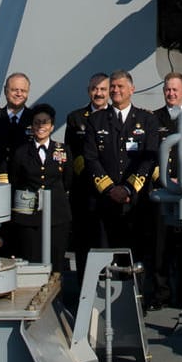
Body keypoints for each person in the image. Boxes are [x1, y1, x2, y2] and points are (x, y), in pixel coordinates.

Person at [82, 70, 161, 297]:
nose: (116, 91)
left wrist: (128, 188)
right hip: (104, 201)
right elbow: (91, 158)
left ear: (132, 89)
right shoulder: (95, 120)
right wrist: (109, 189)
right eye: (113, 87)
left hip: (135, 201)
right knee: (104, 253)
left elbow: (149, 158)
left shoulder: (147, 120)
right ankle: (104, 300)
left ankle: (135, 300)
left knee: (135, 254)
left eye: (120, 87)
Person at [5, 103, 71, 264]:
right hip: (29, 214)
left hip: (57, 214)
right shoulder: (21, 152)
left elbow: (68, 180)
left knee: (56, 260)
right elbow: (15, 180)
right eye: (37, 122)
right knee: (31, 258)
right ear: (32, 126)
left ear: (52, 126)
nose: (41, 126)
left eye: (45, 122)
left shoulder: (62, 150)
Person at [152, 72, 182, 308]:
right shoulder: (153, 119)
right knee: (161, 246)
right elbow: (151, 154)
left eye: (175, 90)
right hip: (164, 190)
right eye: (168, 89)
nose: (171, 93)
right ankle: (161, 295)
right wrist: (167, 178)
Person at [65, 73, 111, 274]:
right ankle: (85, 287)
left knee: (109, 239)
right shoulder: (75, 118)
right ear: (88, 91)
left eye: (102, 89)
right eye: (95, 89)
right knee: (84, 241)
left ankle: (111, 284)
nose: (98, 93)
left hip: (111, 191)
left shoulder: (116, 116)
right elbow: (71, 152)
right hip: (85, 189)